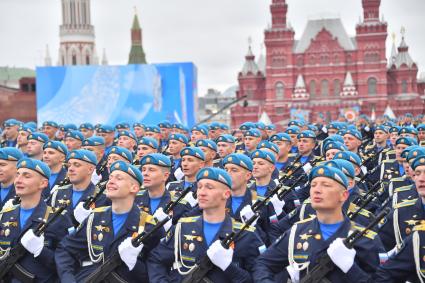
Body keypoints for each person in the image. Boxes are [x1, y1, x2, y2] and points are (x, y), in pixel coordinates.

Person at [254, 165, 384, 282]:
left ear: (344, 196)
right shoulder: (297, 231)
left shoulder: (365, 238)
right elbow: (263, 264)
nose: (317, 190)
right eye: (313, 185)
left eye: (326, 185)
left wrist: (351, 269)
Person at [147, 167, 265, 282]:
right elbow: (156, 260)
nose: (202, 193)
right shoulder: (183, 227)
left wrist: (229, 267)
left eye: (209, 187)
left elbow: (258, 276)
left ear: (226, 194)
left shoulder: (245, 234)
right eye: (199, 187)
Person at [55, 161, 160, 282]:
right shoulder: (95, 217)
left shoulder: (148, 225)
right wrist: (68, 278)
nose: (111, 181)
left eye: (119, 178)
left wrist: (134, 263)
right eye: (110, 177)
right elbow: (66, 249)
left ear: (134, 188)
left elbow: (158, 268)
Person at [0, 158, 72, 282]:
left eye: (26, 176)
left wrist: (41, 251)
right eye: (17, 175)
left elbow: (68, 265)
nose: (19, 180)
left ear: (43, 183)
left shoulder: (58, 218)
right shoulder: (6, 214)